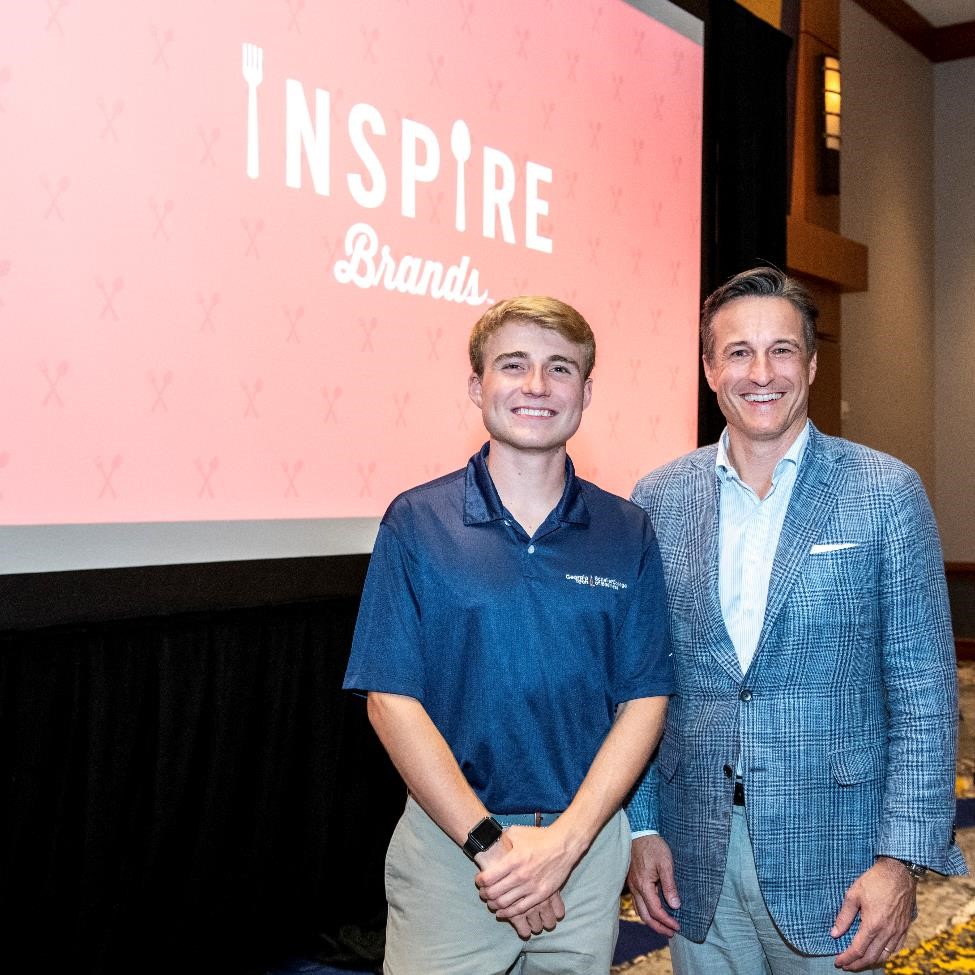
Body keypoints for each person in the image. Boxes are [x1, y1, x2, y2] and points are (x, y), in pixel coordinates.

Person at [626, 266, 966, 974]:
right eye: (738, 352)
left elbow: (925, 695)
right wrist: (644, 822)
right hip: (697, 849)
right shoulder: (656, 497)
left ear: (810, 364)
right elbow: (644, 683)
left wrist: (898, 857)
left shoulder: (885, 491)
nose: (760, 372)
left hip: (839, 858)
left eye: (781, 350)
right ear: (708, 367)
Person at [343, 296, 673, 975]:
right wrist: (492, 847)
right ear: (476, 385)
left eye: (559, 368)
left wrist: (565, 845)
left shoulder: (627, 531)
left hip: (582, 855)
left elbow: (644, 699)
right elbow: (388, 701)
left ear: (585, 391)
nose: (536, 386)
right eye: (512, 365)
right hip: (450, 854)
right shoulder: (416, 522)